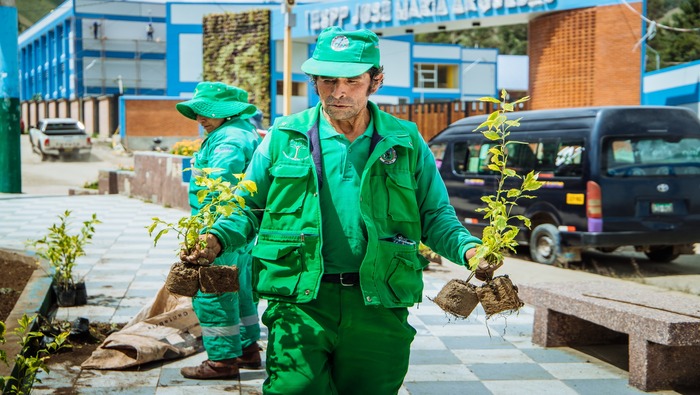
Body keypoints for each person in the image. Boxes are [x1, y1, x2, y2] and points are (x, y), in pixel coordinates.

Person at [181, 27, 499, 394]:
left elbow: (435, 215)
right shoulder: (284, 137)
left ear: (375, 81)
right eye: (328, 80)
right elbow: (247, 207)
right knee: (292, 389)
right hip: (300, 301)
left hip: (379, 302)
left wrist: (469, 249)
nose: (339, 91)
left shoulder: (406, 141)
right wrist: (216, 237)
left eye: (352, 80)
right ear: (314, 82)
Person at [175, 81, 263, 380]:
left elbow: (221, 190)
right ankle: (249, 350)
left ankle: (222, 361)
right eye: (197, 111)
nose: (200, 118)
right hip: (238, 230)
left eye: (207, 112)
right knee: (240, 289)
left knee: (213, 290)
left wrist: (208, 232)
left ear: (228, 112)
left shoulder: (228, 140)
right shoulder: (240, 131)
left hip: (220, 227)